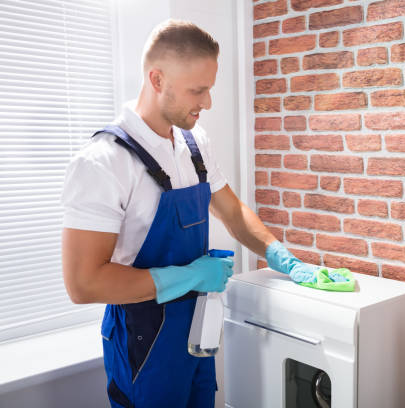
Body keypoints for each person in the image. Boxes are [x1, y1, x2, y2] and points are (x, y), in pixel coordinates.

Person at [61, 19, 317, 408]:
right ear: (157, 79)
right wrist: (188, 276)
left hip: (198, 329)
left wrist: (283, 257)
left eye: (209, 88)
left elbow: (232, 212)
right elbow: (83, 283)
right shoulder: (103, 162)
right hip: (143, 342)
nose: (208, 103)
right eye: (198, 90)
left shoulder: (194, 143)